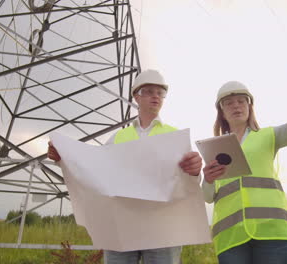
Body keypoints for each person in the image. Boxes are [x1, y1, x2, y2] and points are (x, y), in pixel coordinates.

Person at [48, 69, 203, 264]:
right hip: (122, 227)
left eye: (160, 92)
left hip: (162, 229)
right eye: (148, 91)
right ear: (136, 97)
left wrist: (196, 171)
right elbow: (94, 171)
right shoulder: (118, 138)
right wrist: (64, 157)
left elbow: (188, 181)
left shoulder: (174, 136)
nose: (155, 96)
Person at [201, 65, 287, 264]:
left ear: (250, 107)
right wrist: (208, 180)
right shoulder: (214, 147)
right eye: (229, 103)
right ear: (221, 112)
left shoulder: (269, 136)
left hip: (273, 232)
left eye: (241, 101)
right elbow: (207, 197)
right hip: (231, 239)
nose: (236, 106)